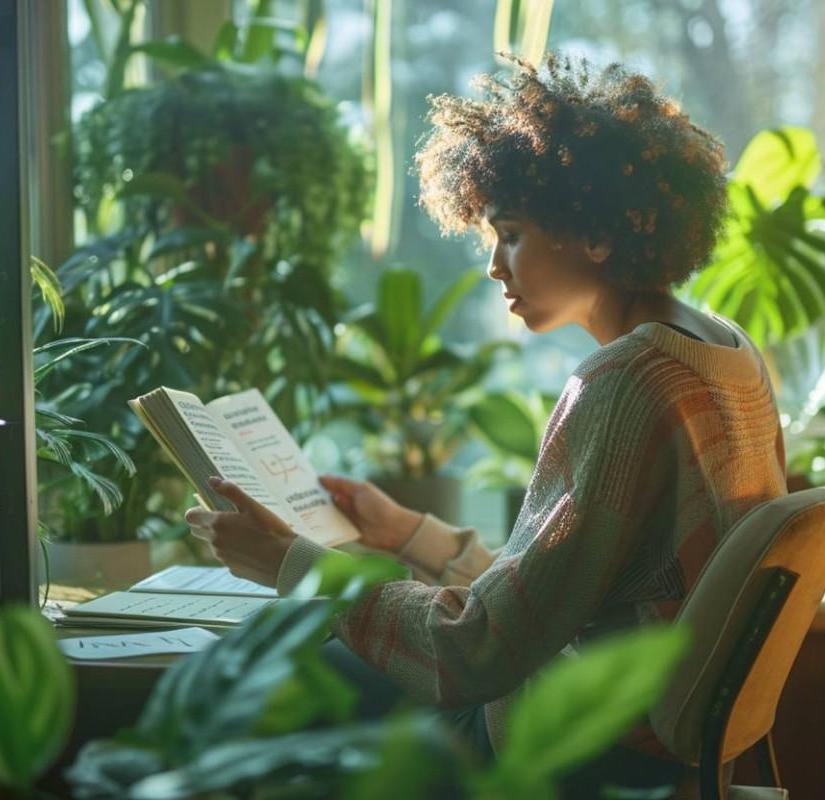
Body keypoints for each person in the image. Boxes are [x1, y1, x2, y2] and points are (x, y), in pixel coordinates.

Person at [183, 53, 788, 795]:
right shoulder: (725, 355)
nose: (496, 266)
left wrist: (292, 564)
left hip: (574, 749)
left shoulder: (625, 384)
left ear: (597, 231)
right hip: (653, 745)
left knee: (262, 680)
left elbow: (474, 653)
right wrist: (410, 534)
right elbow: (559, 590)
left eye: (511, 233)